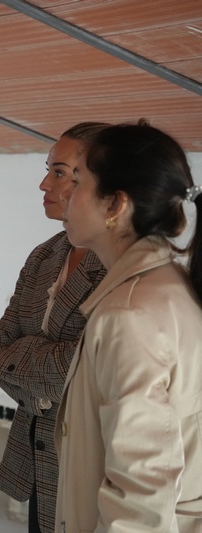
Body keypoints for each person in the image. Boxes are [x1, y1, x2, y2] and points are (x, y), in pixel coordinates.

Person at [55, 121, 202, 532]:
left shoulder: (130, 313)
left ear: (115, 205)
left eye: (78, 181)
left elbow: (140, 497)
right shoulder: (166, 285)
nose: (65, 194)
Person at [0, 122, 109, 533]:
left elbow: (90, 366)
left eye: (59, 172)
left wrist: (25, 358)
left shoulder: (121, 265)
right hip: (40, 456)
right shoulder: (46, 255)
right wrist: (48, 375)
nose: (44, 184)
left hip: (93, 466)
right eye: (48, 171)